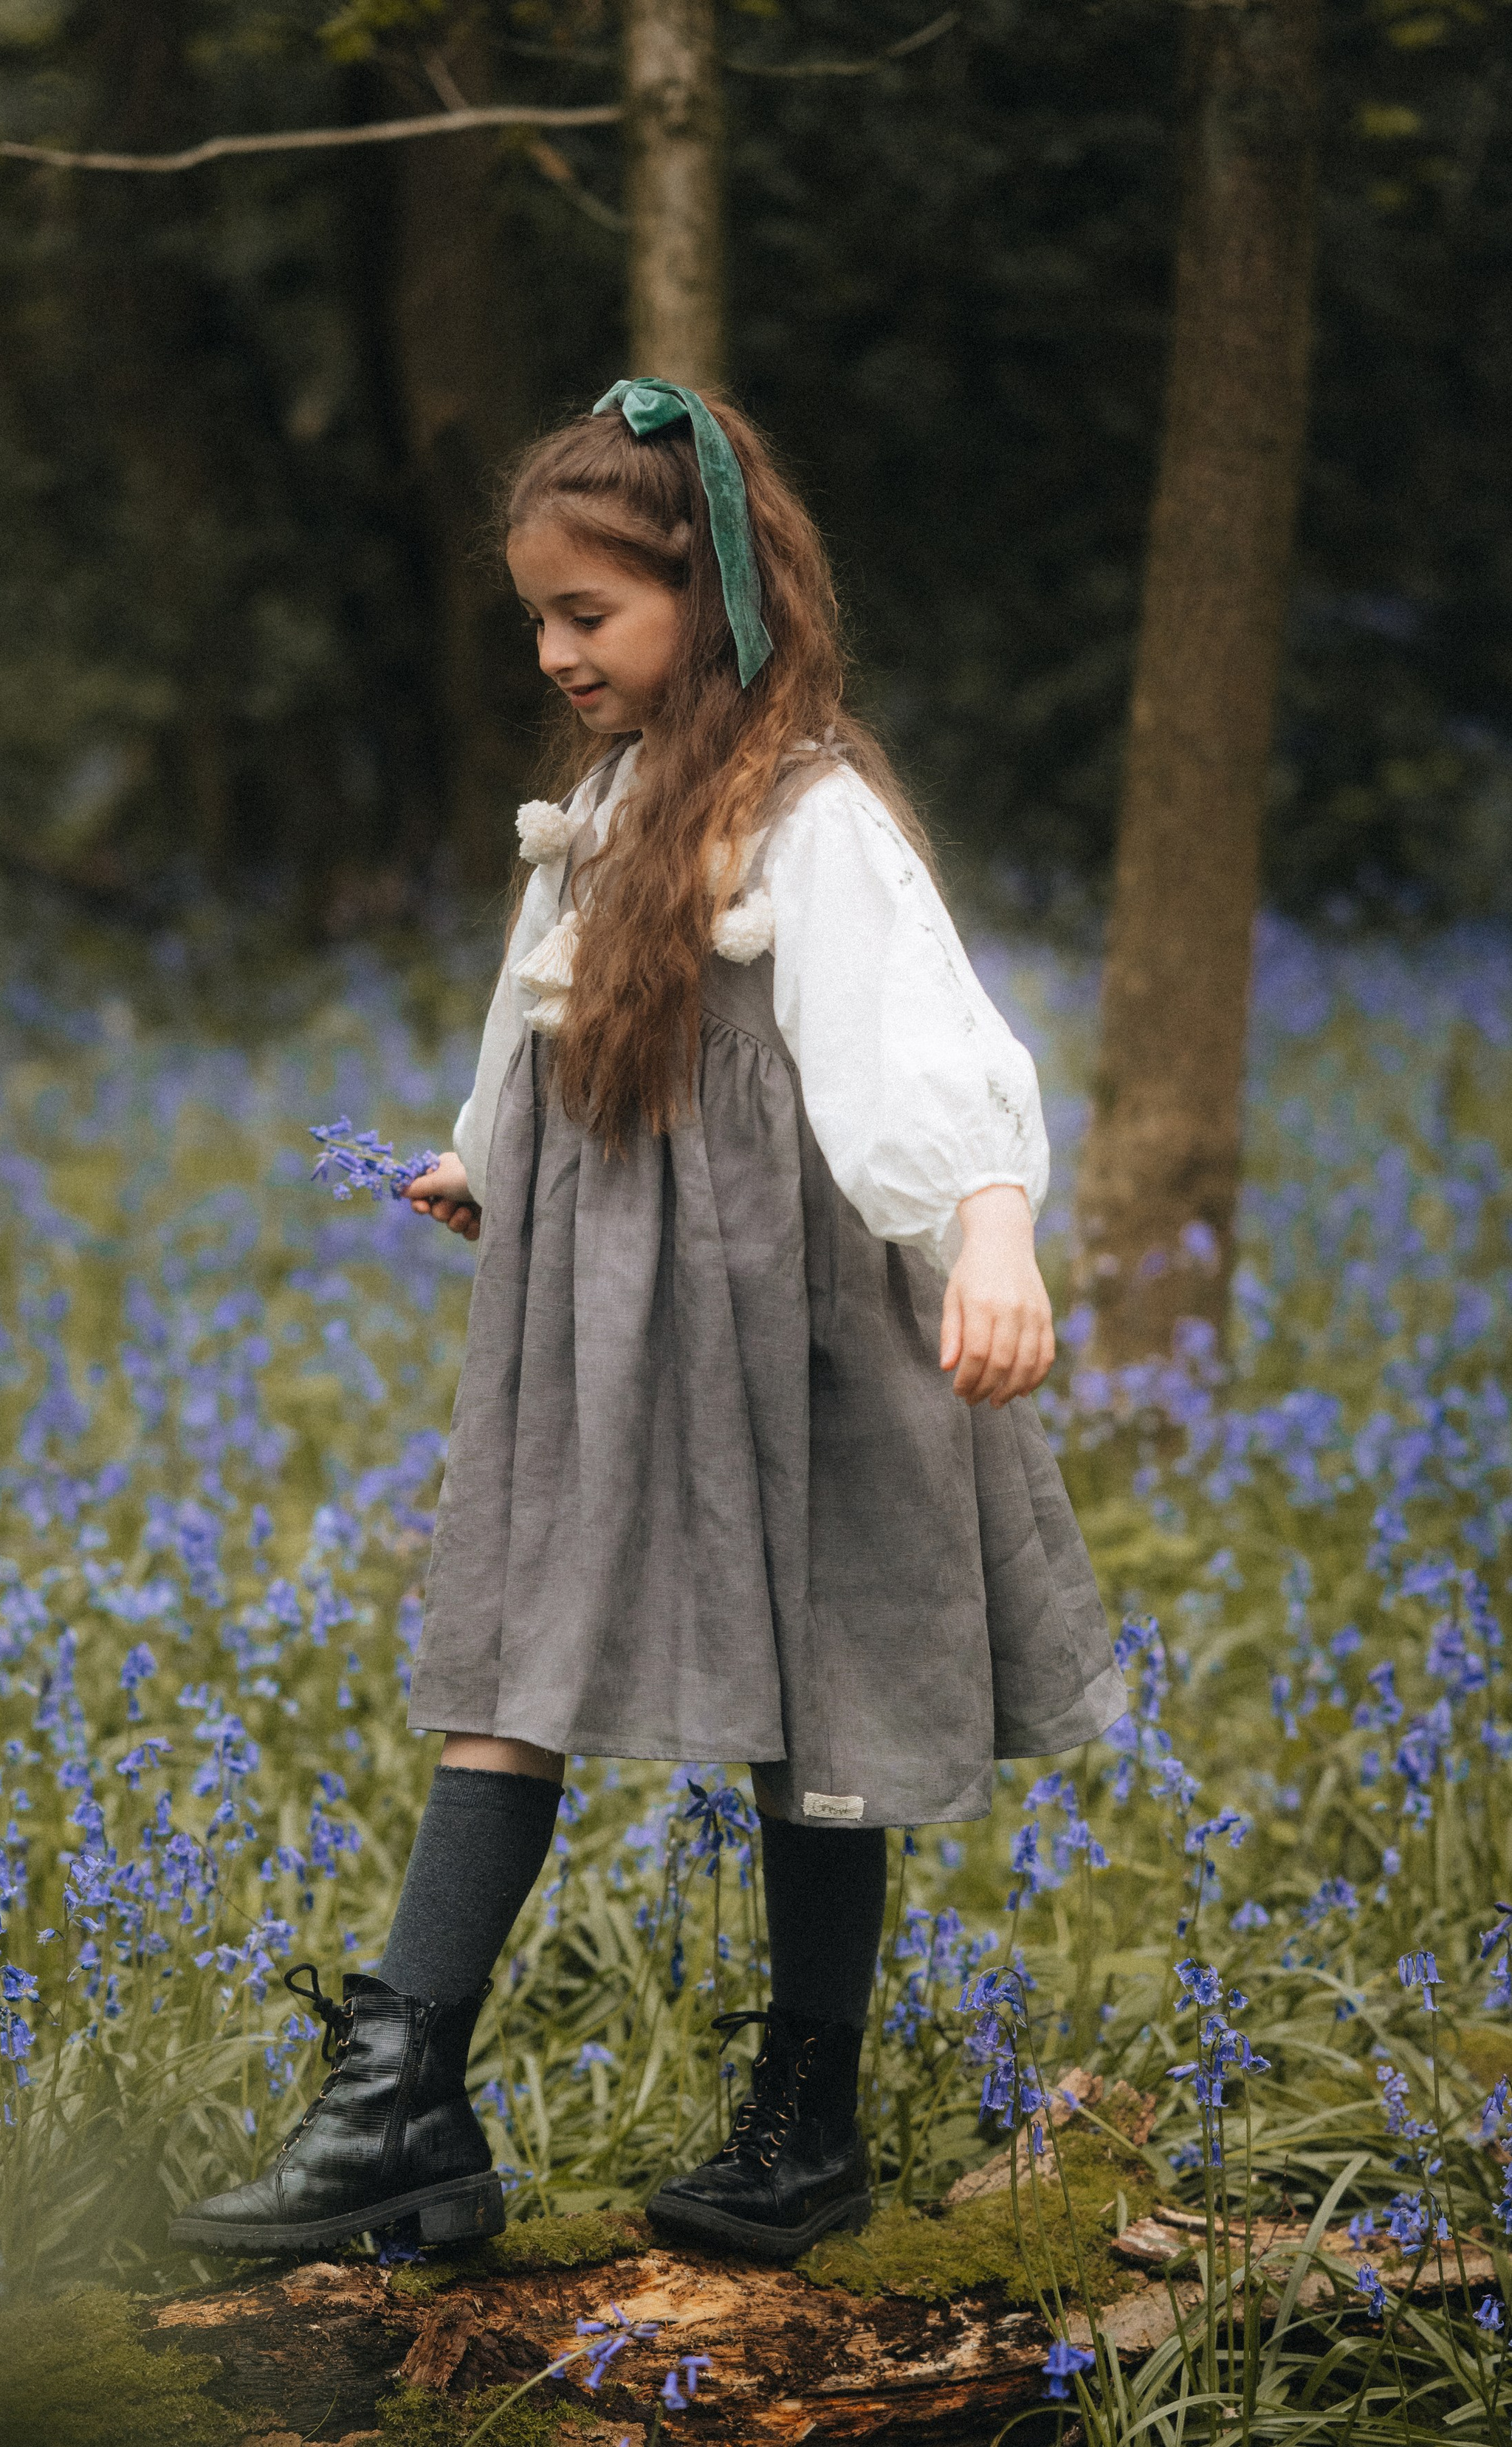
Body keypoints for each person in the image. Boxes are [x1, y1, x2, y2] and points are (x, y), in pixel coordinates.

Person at [171, 382, 1124, 2269]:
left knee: (821, 1672)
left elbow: (927, 1048)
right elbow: (537, 1009)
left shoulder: (813, 813)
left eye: (584, 616)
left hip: (799, 1309)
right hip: (600, 1304)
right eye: (534, 618)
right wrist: (478, 1161)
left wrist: (994, 1236)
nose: (551, 653)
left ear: (711, 594)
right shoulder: (602, 805)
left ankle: (807, 2112)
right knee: (509, 1641)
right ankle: (403, 2100)